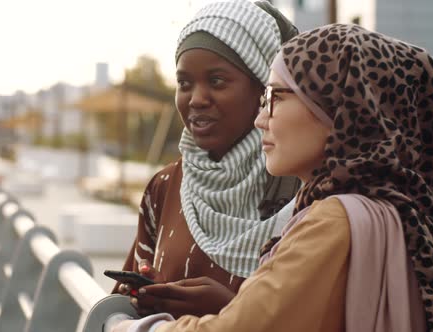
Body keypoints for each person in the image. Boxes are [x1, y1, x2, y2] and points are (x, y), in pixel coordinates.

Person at [111, 23, 433, 332]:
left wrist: (130, 327)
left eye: (274, 97)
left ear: (338, 109)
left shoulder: (332, 220)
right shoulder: (398, 210)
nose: (260, 119)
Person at [113, 0, 301, 318]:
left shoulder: (305, 190)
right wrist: (140, 295)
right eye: (184, 84)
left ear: (263, 90)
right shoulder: (165, 187)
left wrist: (232, 311)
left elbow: (330, 315)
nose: (196, 99)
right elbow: (122, 304)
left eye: (216, 81)